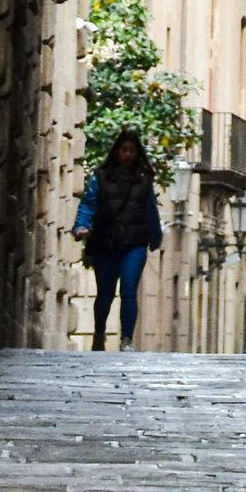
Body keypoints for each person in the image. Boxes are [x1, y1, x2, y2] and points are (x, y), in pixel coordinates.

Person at [74, 128, 163, 350]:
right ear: (117, 152)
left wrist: (155, 236)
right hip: (105, 241)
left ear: (137, 153)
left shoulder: (144, 180)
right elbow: (88, 203)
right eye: (124, 150)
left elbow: (150, 210)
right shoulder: (100, 179)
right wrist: (81, 225)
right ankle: (99, 333)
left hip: (134, 243)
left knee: (129, 289)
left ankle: (126, 339)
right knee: (105, 293)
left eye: (131, 151)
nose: (127, 154)